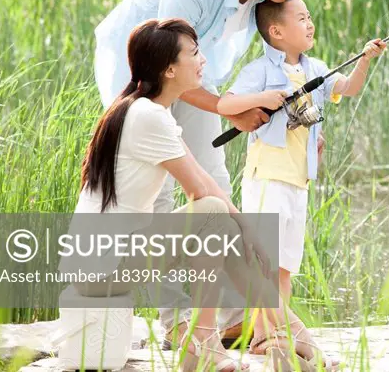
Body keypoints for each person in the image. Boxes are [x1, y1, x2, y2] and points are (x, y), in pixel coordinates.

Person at [71, 19, 337, 372]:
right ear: (169, 69)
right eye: (194, 53)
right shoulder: (148, 116)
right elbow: (200, 192)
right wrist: (249, 234)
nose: (203, 61)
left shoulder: (146, 111)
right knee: (213, 214)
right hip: (104, 265)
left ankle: (273, 334)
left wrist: (248, 233)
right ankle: (224, 340)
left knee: (222, 222)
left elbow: (204, 181)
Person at [93, 0, 301, 340]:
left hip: (198, 81)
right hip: (143, 80)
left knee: (216, 181)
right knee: (161, 197)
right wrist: (230, 110)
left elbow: (285, 52)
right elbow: (168, 69)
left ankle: (231, 318)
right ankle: (177, 321)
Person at [217, 0, 386, 354]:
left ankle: (274, 336)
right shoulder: (260, 70)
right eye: (301, 18)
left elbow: (349, 88)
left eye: (309, 17)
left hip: (298, 181)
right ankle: (267, 338)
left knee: (284, 269)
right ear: (276, 32)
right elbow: (226, 104)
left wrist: (365, 59)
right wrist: (262, 99)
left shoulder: (316, 69)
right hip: (267, 178)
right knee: (265, 263)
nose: (310, 24)